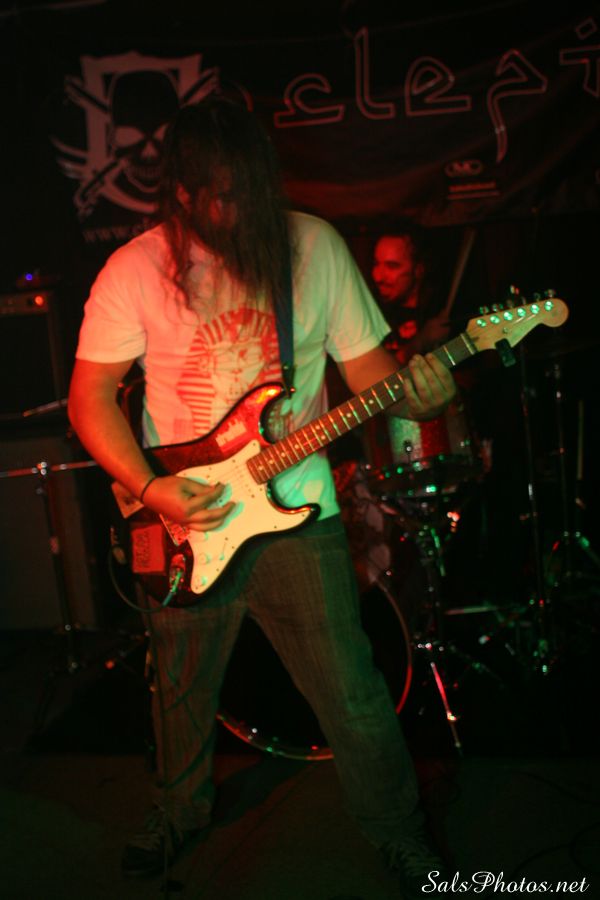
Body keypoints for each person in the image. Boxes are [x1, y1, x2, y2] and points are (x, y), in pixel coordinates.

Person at [67, 97, 456, 897]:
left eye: (249, 188)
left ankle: (398, 831)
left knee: (352, 692)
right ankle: (179, 812)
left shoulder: (312, 247)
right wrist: (151, 488)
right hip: (182, 518)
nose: (238, 208)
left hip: (298, 514)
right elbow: (90, 397)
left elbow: (371, 375)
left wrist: (420, 395)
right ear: (181, 192)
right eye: (218, 195)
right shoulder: (134, 270)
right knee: (181, 691)